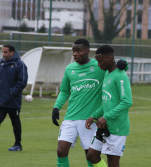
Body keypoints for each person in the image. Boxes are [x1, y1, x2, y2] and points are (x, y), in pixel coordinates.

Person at [51, 39, 106, 167]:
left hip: (89, 119)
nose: (75, 54)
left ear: (88, 51)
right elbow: (64, 91)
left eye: (78, 51)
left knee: (91, 155)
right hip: (70, 117)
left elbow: (114, 68)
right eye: (73, 51)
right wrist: (56, 107)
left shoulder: (99, 67)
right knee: (61, 150)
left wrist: (123, 65)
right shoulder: (69, 69)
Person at [85, 45, 133, 167]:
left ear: (109, 58)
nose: (98, 64)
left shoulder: (121, 76)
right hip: (104, 125)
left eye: (100, 61)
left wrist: (106, 116)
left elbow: (127, 102)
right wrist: (93, 116)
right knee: (91, 155)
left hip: (117, 127)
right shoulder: (107, 74)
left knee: (113, 163)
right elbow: (108, 102)